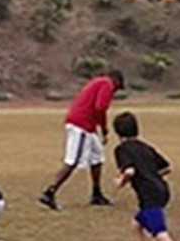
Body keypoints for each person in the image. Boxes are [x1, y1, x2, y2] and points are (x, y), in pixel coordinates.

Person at [39, 70, 125, 210]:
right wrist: (104, 128)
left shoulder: (98, 81)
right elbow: (100, 107)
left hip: (88, 126)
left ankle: (96, 193)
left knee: (97, 157)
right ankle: (49, 192)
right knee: (72, 160)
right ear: (117, 81)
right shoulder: (107, 83)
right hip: (81, 125)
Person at [112, 111, 178, 241]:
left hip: (150, 194)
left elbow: (130, 171)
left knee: (159, 232)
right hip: (161, 189)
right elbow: (166, 167)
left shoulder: (122, 149)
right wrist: (151, 175)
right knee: (137, 225)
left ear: (117, 132)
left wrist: (121, 181)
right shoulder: (145, 147)